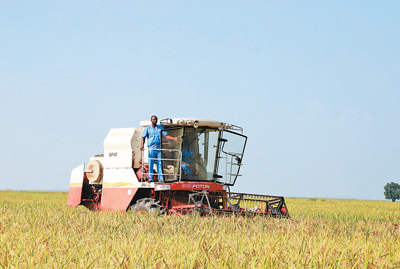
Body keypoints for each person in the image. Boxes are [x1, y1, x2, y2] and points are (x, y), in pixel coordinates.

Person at [140, 115, 177, 182]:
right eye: (153, 119)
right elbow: (143, 137)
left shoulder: (160, 128)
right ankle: (150, 178)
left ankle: (161, 179)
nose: (155, 120)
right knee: (151, 163)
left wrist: (174, 138)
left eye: (156, 119)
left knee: (160, 163)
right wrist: (142, 145)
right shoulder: (148, 128)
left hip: (159, 148)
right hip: (151, 148)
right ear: (151, 120)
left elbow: (166, 135)